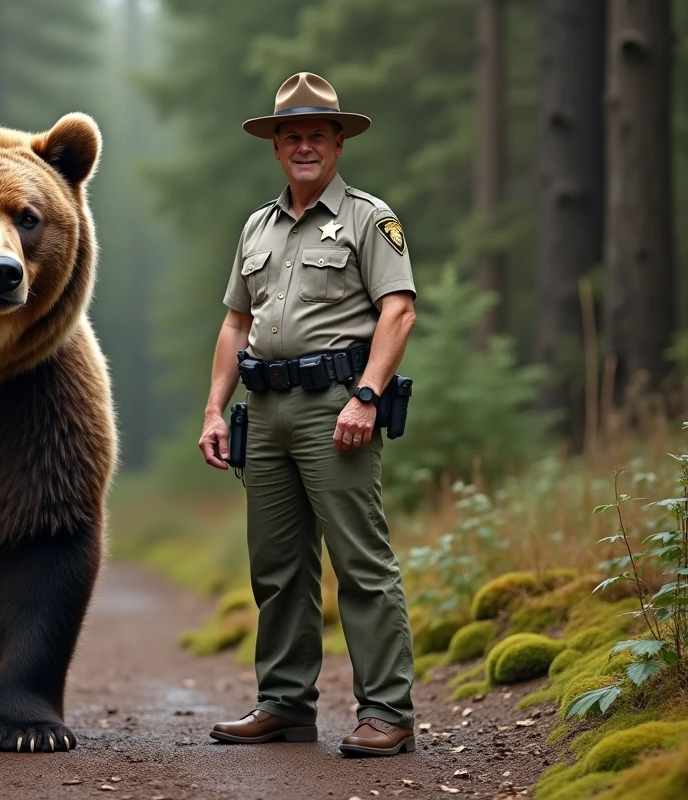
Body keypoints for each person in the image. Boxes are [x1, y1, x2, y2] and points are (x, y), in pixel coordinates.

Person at [199, 72, 418, 757]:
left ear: (337, 142)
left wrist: (368, 395)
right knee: (278, 566)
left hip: (337, 407)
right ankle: (286, 705)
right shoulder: (256, 227)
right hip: (262, 411)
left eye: (316, 135)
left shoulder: (368, 218)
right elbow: (236, 324)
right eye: (290, 135)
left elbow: (399, 309)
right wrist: (214, 409)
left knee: (361, 561)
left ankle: (388, 712)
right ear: (274, 147)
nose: (303, 146)